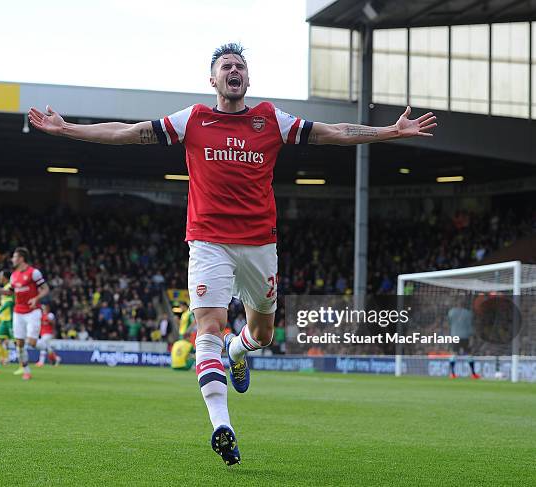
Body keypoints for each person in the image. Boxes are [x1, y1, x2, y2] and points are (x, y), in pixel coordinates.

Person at [28, 42, 437, 465]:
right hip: (208, 242)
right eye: (226, 65)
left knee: (262, 335)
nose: (234, 70)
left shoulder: (270, 119)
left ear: (247, 78)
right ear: (213, 79)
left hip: (260, 244)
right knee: (207, 328)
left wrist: (390, 131)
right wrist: (68, 129)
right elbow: (128, 133)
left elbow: (333, 132)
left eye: (240, 65)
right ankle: (222, 425)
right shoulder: (192, 120)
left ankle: (237, 352)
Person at [0, 247, 50, 381]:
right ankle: (26, 371)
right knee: (19, 344)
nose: (12, 259)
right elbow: (9, 292)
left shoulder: (34, 273)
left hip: (32, 311)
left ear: (21, 258)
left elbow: (45, 289)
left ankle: (49, 350)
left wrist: (36, 298)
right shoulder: (14, 275)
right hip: (18, 312)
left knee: (32, 343)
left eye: (14, 257)